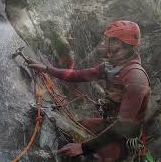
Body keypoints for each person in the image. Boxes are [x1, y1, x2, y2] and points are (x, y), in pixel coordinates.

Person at [28, 20, 151, 162]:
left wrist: (83, 147)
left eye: (108, 40)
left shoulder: (135, 78)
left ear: (119, 44)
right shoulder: (112, 67)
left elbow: (123, 126)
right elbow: (78, 75)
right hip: (109, 124)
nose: (104, 44)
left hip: (123, 137)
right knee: (73, 128)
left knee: (90, 157)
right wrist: (46, 69)